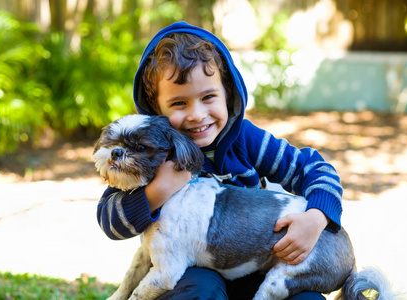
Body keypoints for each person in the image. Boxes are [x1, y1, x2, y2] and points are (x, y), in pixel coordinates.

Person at [97, 21, 343, 300]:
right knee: (199, 291)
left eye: (208, 97)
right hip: (189, 267)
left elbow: (313, 169)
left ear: (228, 93)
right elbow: (110, 219)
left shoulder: (245, 140)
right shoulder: (149, 153)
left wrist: (317, 216)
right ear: (156, 110)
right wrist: (159, 191)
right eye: (179, 103)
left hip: (256, 261)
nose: (197, 114)